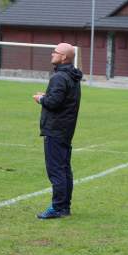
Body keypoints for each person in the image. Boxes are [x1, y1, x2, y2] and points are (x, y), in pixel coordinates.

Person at [32, 43, 83, 219]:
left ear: (64, 57)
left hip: (56, 129)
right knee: (64, 168)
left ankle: (58, 207)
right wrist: (47, 97)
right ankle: (64, 206)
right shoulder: (71, 76)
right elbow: (61, 99)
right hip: (66, 129)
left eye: (56, 52)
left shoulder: (60, 77)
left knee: (56, 170)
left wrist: (41, 99)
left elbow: (54, 103)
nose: (52, 54)